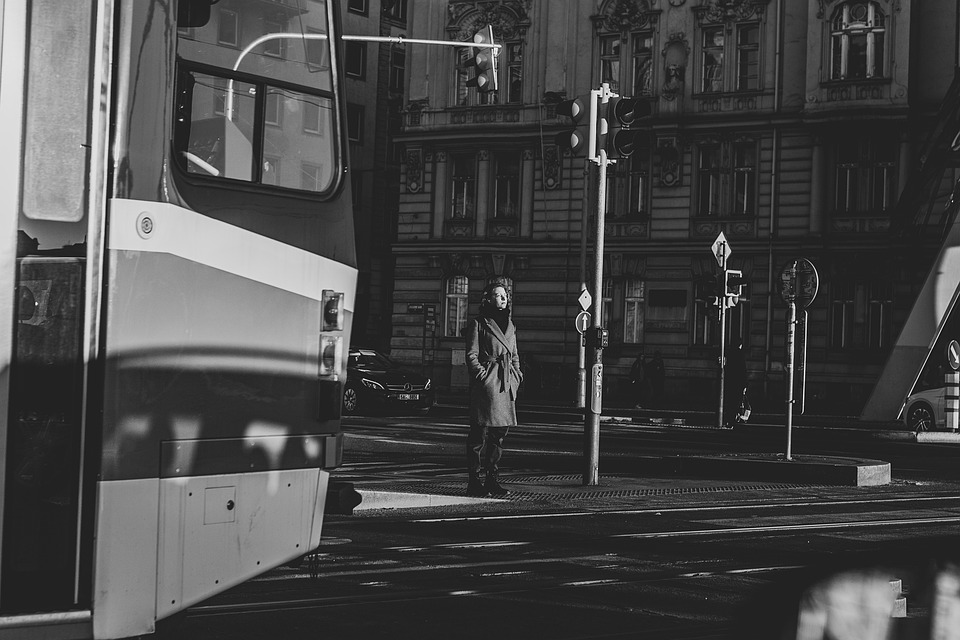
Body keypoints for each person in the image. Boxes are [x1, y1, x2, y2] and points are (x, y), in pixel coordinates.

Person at [464, 282, 523, 497]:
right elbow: (471, 355)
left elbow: (514, 354)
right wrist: (483, 377)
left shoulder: (510, 324)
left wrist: (517, 376)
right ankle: (474, 481)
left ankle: (491, 479)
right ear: (488, 299)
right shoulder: (479, 323)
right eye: (498, 295)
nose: (503, 298)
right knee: (478, 435)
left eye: (505, 294)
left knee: (498, 436)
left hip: (506, 383)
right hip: (488, 384)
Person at [723, 340, 747, 427]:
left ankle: (728, 420)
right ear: (740, 345)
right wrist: (745, 385)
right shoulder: (740, 354)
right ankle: (734, 420)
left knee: (730, 402)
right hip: (738, 383)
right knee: (736, 402)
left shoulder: (729, 354)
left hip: (730, 382)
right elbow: (743, 371)